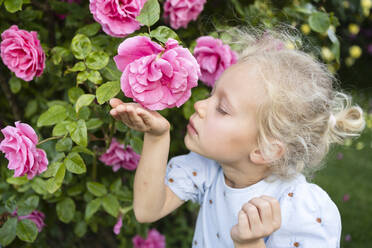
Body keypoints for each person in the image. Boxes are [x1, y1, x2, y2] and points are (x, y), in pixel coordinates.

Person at [109, 25, 366, 248]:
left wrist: (250, 243)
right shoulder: (208, 170)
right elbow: (146, 210)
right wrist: (157, 137)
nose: (200, 105)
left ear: (265, 149)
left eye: (222, 109)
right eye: (213, 94)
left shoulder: (300, 209)